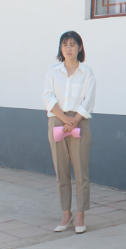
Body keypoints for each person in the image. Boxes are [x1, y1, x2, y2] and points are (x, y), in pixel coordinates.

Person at [43, 31, 96, 234]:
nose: (68, 48)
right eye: (64, 44)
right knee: (61, 171)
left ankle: (81, 214)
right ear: (60, 48)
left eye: (72, 44)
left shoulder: (87, 72)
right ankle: (66, 213)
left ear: (80, 48)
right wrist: (65, 120)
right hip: (58, 120)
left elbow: (88, 100)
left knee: (81, 171)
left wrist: (74, 121)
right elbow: (47, 97)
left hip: (79, 122)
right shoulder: (53, 71)